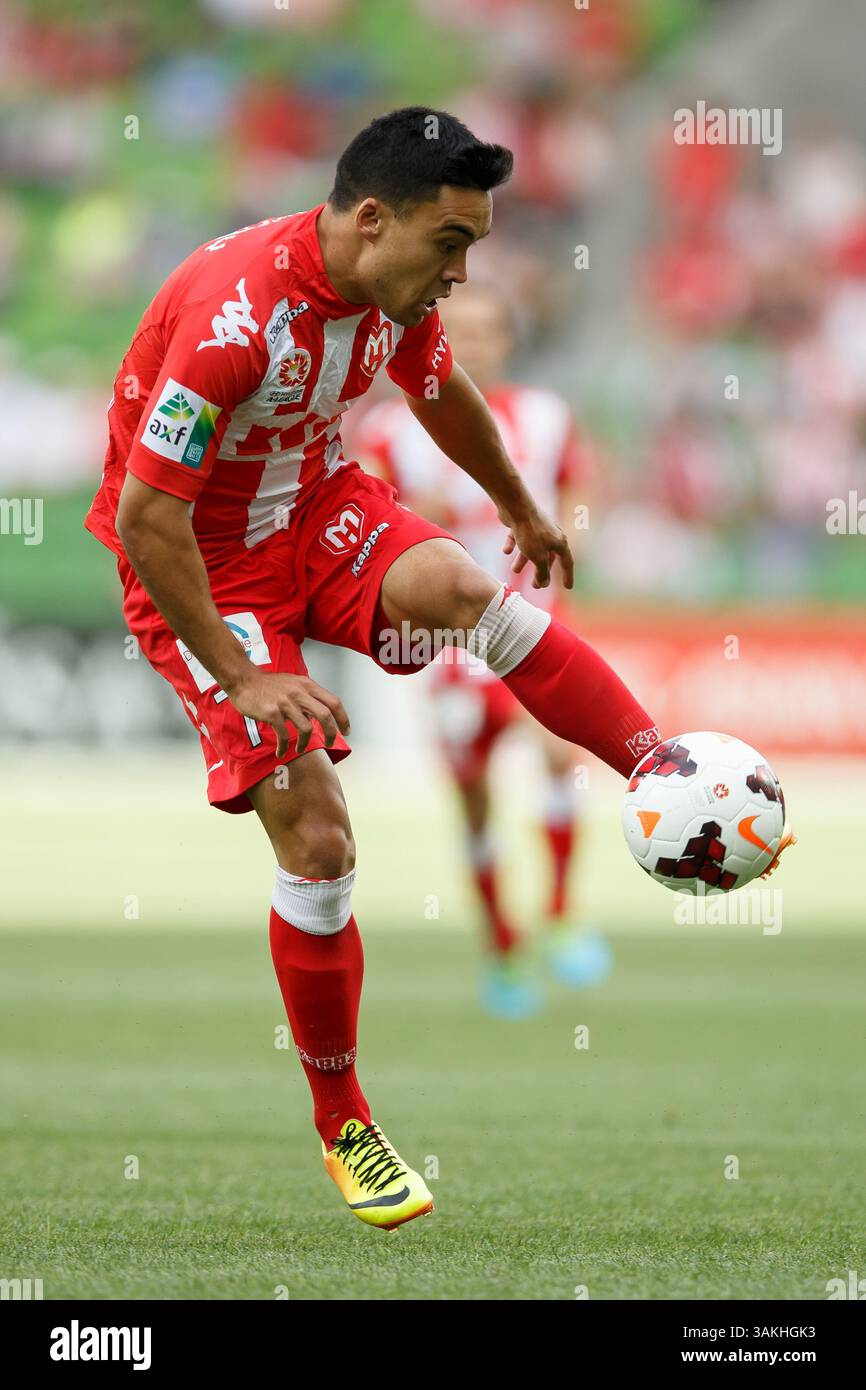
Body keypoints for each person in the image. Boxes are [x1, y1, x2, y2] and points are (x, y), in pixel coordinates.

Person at [85, 107, 660, 1232]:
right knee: (319, 835)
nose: (461, 271)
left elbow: (439, 392)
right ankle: (343, 1118)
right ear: (367, 219)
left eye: (474, 247)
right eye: (450, 245)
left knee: (460, 589)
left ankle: (659, 764)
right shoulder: (235, 320)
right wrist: (244, 678)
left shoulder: (388, 295)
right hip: (202, 568)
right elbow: (149, 519)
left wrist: (518, 507)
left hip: (313, 507)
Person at [356, 282, 612, 1018]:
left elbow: (578, 496)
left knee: (562, 756)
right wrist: (407, 514)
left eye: (485, 331)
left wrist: (573, 539)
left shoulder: (545, 415)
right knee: (473, 803)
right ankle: (502, 945)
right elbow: (364, 511)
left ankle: (560, 913)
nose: (471, 343)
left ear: (507, 340)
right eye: (456, 329)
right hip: (447, 646)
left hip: (531, 626)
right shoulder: (391, 426)